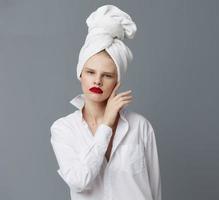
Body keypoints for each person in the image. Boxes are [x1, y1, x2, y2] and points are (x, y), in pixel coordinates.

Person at [50, 5, 162, 200]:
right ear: (80, 74)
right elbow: (80, 181)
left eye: (107, 75)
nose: (97, 81)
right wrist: (107, 125)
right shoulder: (64, 129)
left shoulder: (140, 127)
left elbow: (155, 189)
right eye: (90, 72)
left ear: (117, 81)